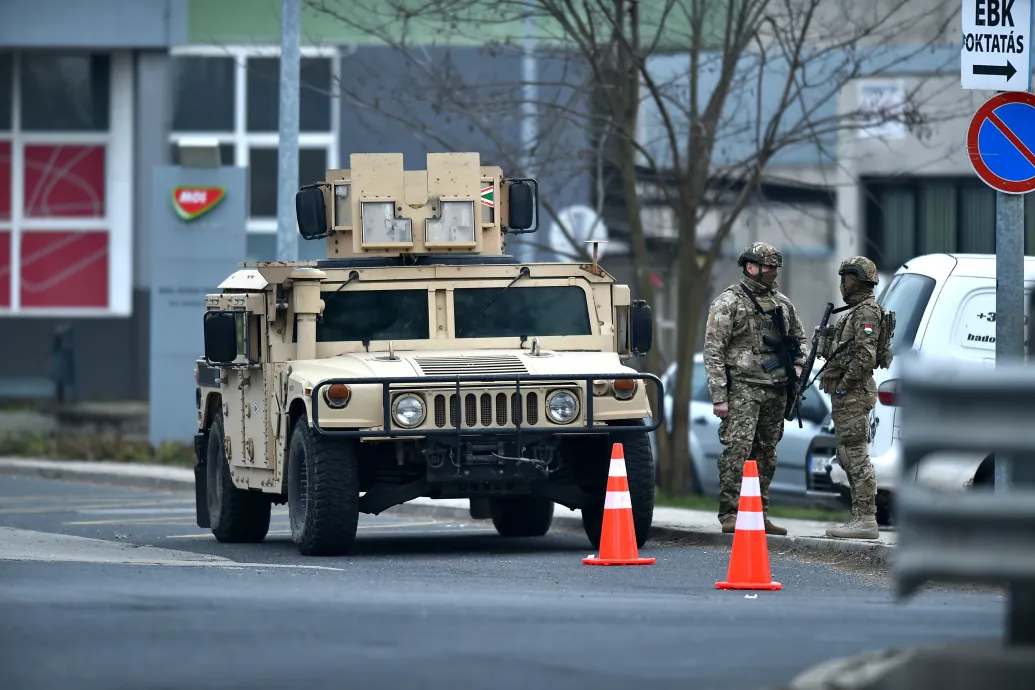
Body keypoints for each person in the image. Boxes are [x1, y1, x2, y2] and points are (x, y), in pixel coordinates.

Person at [703, 242, 806, 535]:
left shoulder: (783, 304)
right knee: (738, 451)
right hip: (743, 390)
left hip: (776, 389)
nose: (772, 272)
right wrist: (719, 396)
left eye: (775, 267)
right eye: (767, 266)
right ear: (750, 267)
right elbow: (713, 351)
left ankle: (759, 513)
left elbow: (799, 340)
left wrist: (798, 366)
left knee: (767, 454)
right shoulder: (729, 302)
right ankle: (731, 513)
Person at [817, 256, 883, 540]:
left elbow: (865, 356)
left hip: (854, 394)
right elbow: (843, 351)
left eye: (846, 277)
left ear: (855, 279)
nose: (842, 283)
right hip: (848, 394)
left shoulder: (867, 312)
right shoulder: (854, 312)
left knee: (855, 455)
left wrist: (844, 385)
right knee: (846, 455)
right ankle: (859, 517)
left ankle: (866, 518)